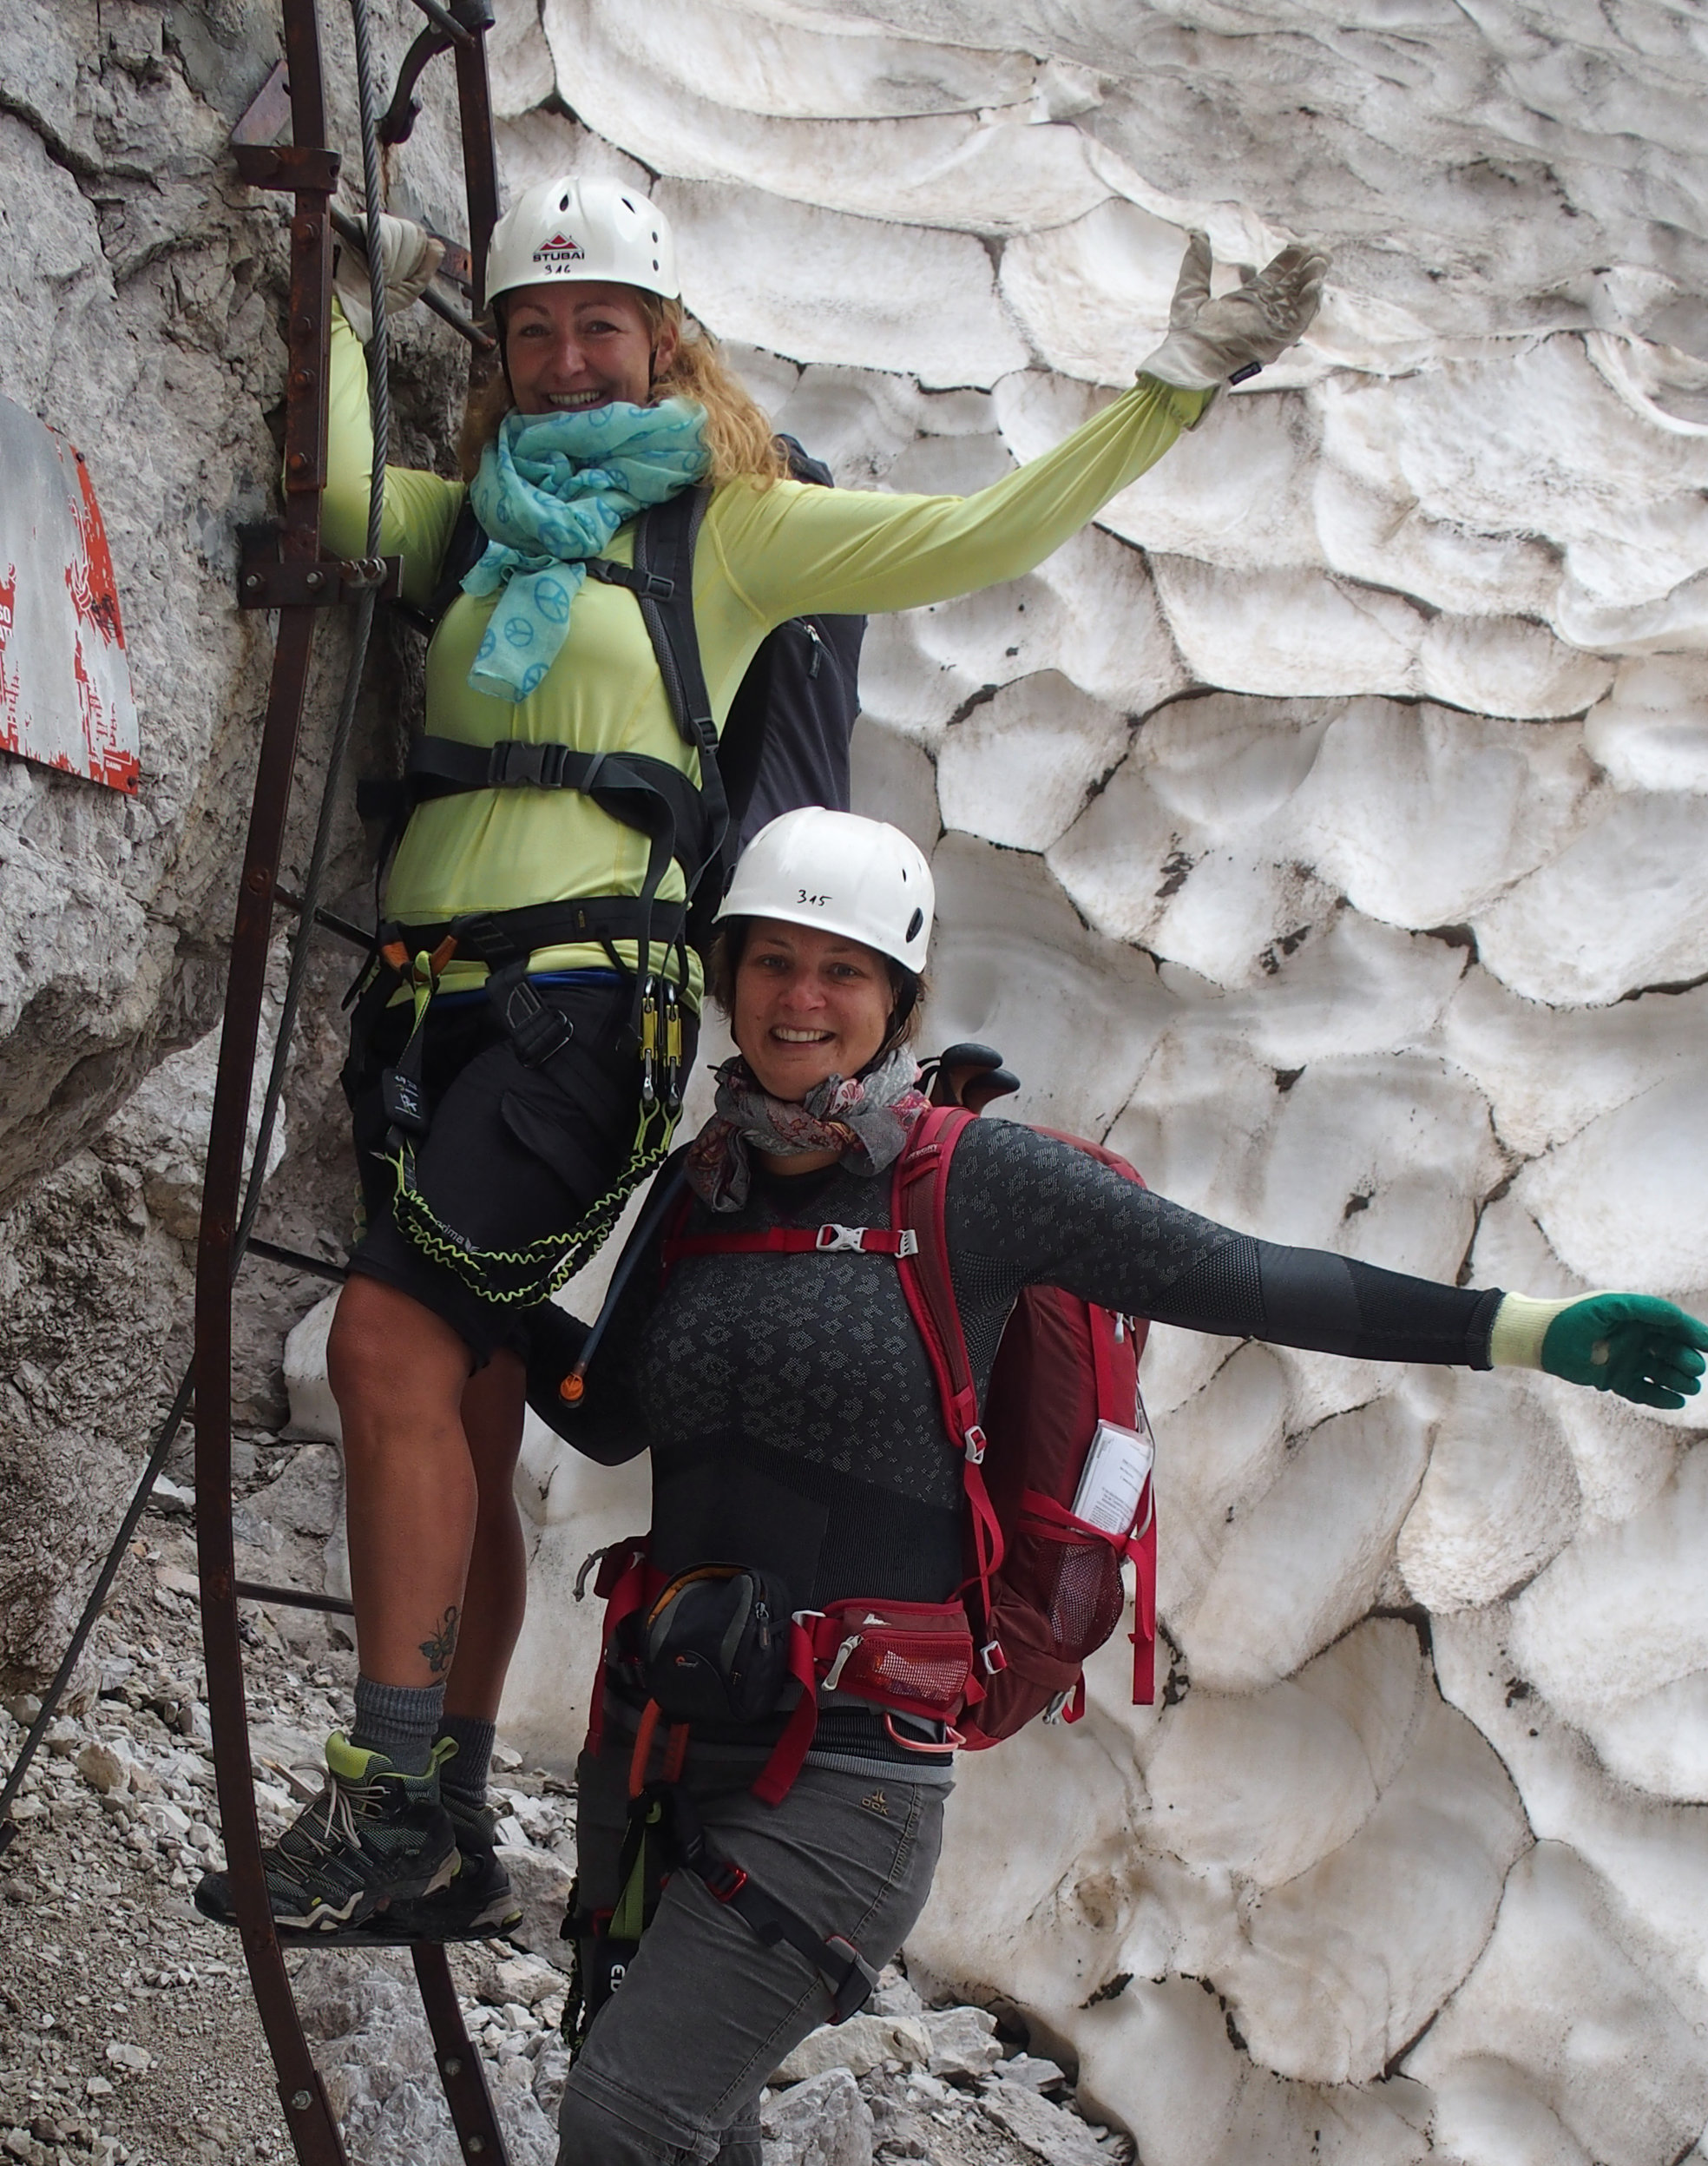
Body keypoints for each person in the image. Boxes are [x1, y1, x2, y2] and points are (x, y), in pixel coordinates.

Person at [476, 805, 1708, 2166]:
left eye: (841, 969)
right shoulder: (702, 1190)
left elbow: (1248, 1276)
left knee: (625, 2121)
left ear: (892, 999)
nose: (802, 995)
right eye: (774, 958)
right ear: (732, 979)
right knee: (681, 2146)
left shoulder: (980, 1189)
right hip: (668, 1744)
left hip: (851, 1777)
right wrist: (455, 1282)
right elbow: (614, 1406)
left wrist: (1534, 1325)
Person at [196, 188, 1330, 1944]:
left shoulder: (729, 534)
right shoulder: (480, 532)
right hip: (431, 1010)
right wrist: (336, 279)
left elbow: (978, 529)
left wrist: (1171, 384)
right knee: (470, 1394)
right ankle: (460, 1822)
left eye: (603, 325)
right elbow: (338, 491)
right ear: (496, 360)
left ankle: (393, 1791)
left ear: (664, 341)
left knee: (383, 1345)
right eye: (532, 331)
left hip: (582, 1011)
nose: (569, 361)